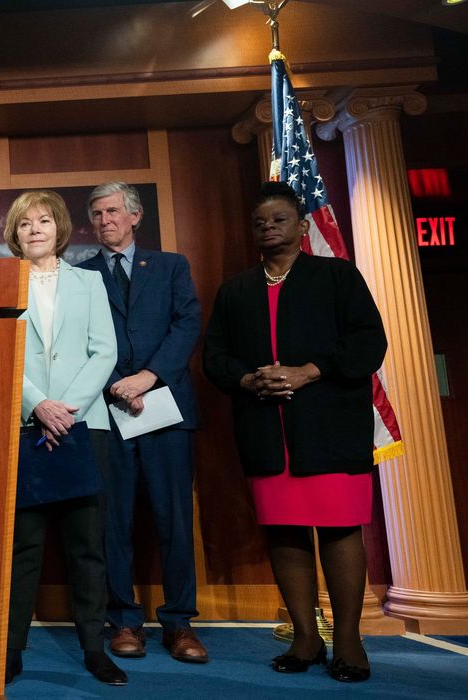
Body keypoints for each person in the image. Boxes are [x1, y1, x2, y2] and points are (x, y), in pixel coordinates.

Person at [202, 182, 386, 683]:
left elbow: (370, 342)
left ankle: (348, 639)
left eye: (279, 219)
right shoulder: (236, 290)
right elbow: (214, 357)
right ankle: (306, 636)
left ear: (303, 226)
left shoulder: (336, 276)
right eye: (260, 221)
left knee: (339, 528)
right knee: (284, 531)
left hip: (329, 427)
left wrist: (309, 371)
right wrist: (247, 378)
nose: (268, 227)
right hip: (265, 429)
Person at [76, 182, 207, 663]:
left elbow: (187, 324)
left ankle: (179, 624)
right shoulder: (81, 273)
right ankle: (124, 621)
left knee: (173, 518)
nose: (104, 219)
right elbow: (81, 339)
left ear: (134, 216)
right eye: (96, 213)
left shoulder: (171, 266)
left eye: (112, 211)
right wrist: (117, 384)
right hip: (107, 413)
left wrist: (147, 378)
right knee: (114, 522)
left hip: (166, 411)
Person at [4, 191, 125, 687]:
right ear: (14, 233)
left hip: (82, 427)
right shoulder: (2, 282)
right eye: (25, 223)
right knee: (23, 547)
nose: (35, 229)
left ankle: (95, 649)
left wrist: (66, 411)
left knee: (86, 546)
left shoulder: (90, 282)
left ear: (60, 229)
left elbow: (105, 351)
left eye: (44, 220)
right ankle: (10, 651)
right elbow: (2, 352)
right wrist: (39, 406)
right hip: (26, 425)